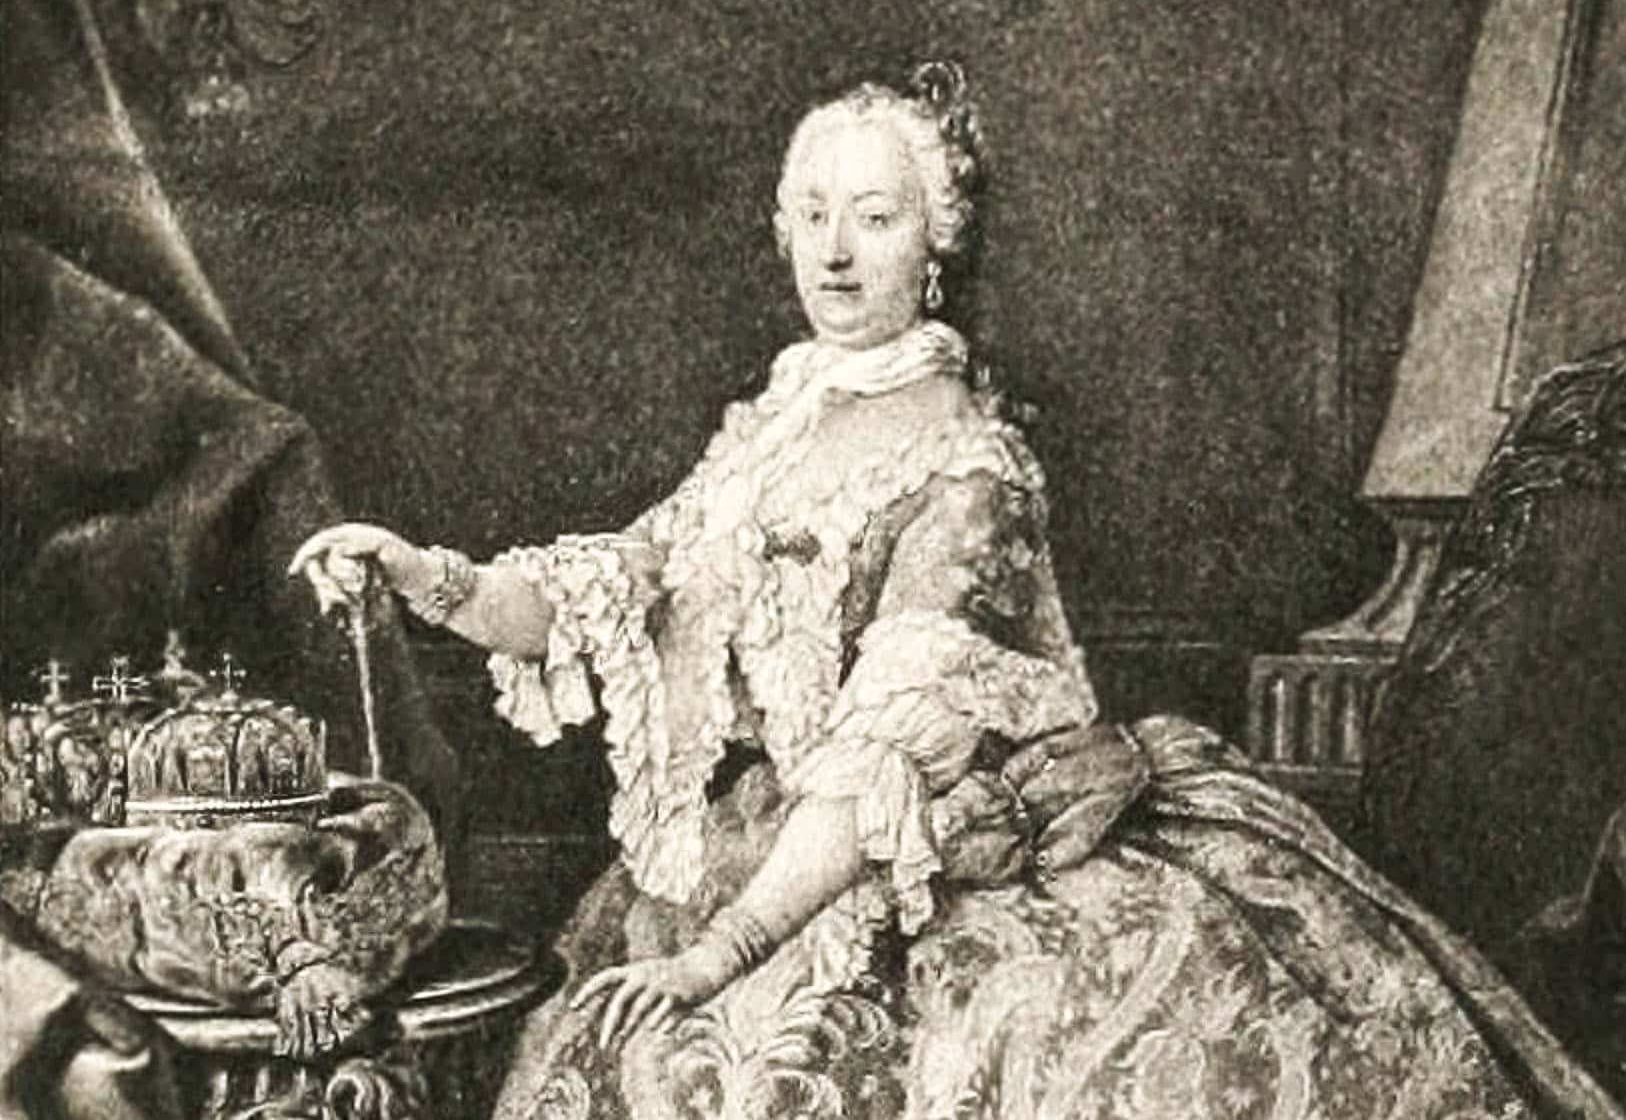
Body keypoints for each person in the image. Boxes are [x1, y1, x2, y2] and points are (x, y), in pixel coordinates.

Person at [292, 63, 1622, 1118]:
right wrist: (426, 577)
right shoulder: (776, 423)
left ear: (935, 241)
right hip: (761, 852)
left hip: (911, 863)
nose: (837, 251)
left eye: (875, 218)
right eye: (813, 214)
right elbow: (618, 585)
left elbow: (880, 760)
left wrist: (719, 953)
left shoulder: (970, 463)